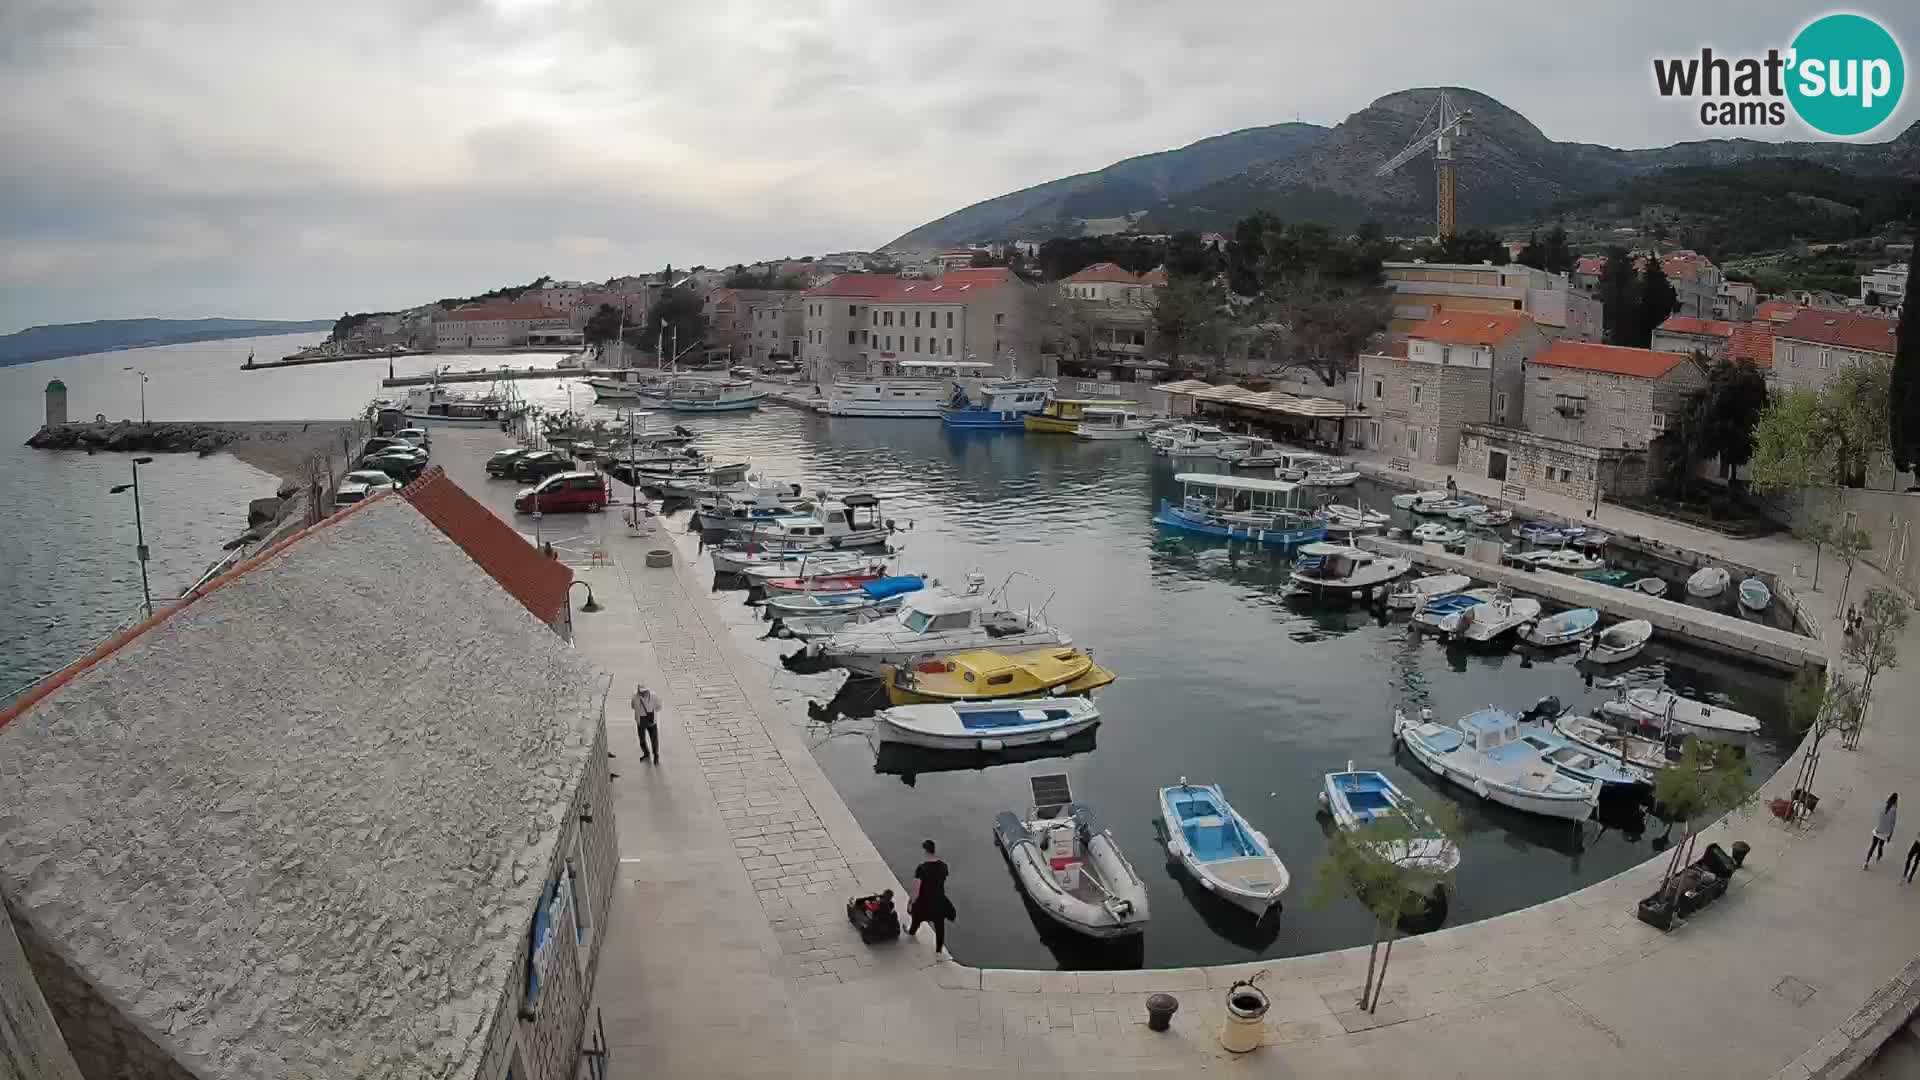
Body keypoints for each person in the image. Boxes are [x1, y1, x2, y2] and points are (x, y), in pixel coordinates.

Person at [908, 839, 956, 956]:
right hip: (939, 900)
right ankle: (939, 951)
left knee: (917, 917)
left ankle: (911, 932)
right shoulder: (944, 866)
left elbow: (916, 890)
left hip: (925, 900)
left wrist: (910, 902)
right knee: (940, 925)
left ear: (925, 851)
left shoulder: (921, 868)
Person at [1866, 793, 1898, 869]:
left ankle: (1866, 861)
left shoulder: (1883, 806)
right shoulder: (1894, 810)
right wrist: (1890, 835)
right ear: (1895, 801)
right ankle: (1879, 856)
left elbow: (1879, 816)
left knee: (1873, 846)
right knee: (1880, 845)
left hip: (1878, 830)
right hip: (1885, 832)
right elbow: (1892, 824)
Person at [631, 684, 661, 762]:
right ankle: (646, 753)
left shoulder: (654, 696)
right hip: (641, 722)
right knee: (642, 739)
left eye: (644, 692)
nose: (643, 693)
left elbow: (659, 707)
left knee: (654, 739)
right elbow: (633, 706)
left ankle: (655, 754)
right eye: (641, 692)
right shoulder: (635, 697)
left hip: (651, 722)